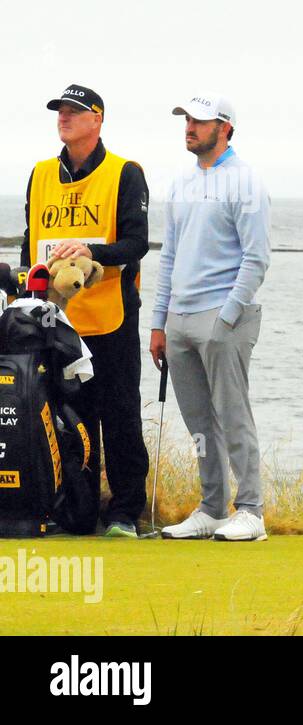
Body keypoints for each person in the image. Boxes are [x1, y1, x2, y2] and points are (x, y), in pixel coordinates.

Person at [22, 84, 150, 538]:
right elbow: (28, 245)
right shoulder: (39, 174)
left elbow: (137, 244)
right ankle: (76, 510)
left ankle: (125, 512)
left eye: (75, 111)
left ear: (97, 120)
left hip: (110, 318)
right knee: (66, 419)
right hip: (57, 323)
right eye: (60, 110)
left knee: (119, 416)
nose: (64, 117)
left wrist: (92, 249)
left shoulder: (125, 173)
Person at [150, 94, 271, 542]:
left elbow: (256, 258)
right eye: (186, 119)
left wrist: (227, 317)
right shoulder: (181, 184)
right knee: (199, 422)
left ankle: (252, 511)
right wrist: (159, 322)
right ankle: (212, 507)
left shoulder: (245, 183)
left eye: (199, 121)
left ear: (225, 128)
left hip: (223, 318)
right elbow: (170, 257)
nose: (189, 127)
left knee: (233, 415)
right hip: (180, 320)